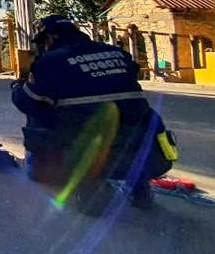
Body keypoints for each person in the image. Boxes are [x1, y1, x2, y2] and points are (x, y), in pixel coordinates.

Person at [11, 15, 171, 214]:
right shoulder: (118, 54)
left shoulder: (50, 62)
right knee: (133, 111)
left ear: (50, 38)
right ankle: (139, 186)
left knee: (39, 111)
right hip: (145, 151)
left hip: (88, 149)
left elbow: (25, 101)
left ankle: (84, 183)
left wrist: (18, 85)